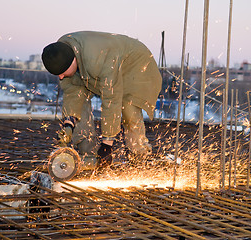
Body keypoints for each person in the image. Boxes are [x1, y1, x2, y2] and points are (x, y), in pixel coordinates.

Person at [41, 31, 162, 168]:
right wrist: (69, 123)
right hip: (100, 65)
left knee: (129, 110)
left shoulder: (98, 60)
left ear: (73, 62)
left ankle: (139, 156)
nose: (61, 77)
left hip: (135, 64)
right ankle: (87, 154)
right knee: (81, 104)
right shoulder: (61, 53)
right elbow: (73, 95)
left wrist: (107, 145)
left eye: (63, 73)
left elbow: (111, 99)